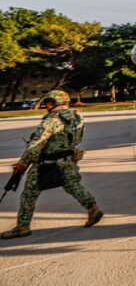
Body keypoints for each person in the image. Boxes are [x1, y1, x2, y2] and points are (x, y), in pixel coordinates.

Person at [2, 90, 103, 239]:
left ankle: (22, 227)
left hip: (47, 162)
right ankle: (93, 208)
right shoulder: (77, 116)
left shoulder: (51, 120)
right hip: (69, 158)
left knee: (29, 194)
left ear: (53, 102)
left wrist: (22, 163)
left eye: (48, 102)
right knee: (72, 185)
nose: (46, 105)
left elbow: (36, 145)